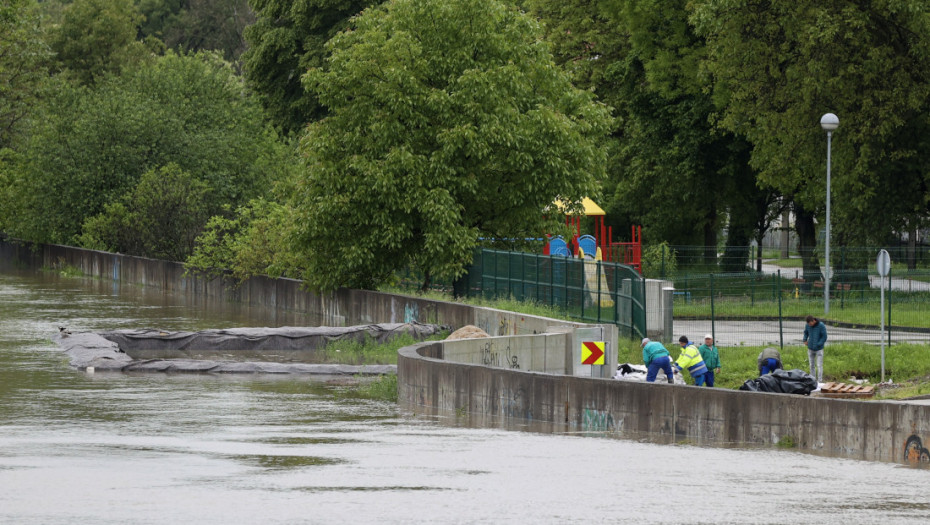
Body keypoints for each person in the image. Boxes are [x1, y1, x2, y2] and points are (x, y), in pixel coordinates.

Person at [803, 315, 827, 383]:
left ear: (814, 321)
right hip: (810, 348)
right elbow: (806, 333)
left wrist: (819, 344)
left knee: (819, 365)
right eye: (808, 324)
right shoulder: (807, 325)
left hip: (819, 349)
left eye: (810, 324)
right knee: (811, 365)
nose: (809, 325)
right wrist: (805, 339)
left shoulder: (821, 325)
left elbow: (824, 336)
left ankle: (820, 380)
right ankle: (813, 379)